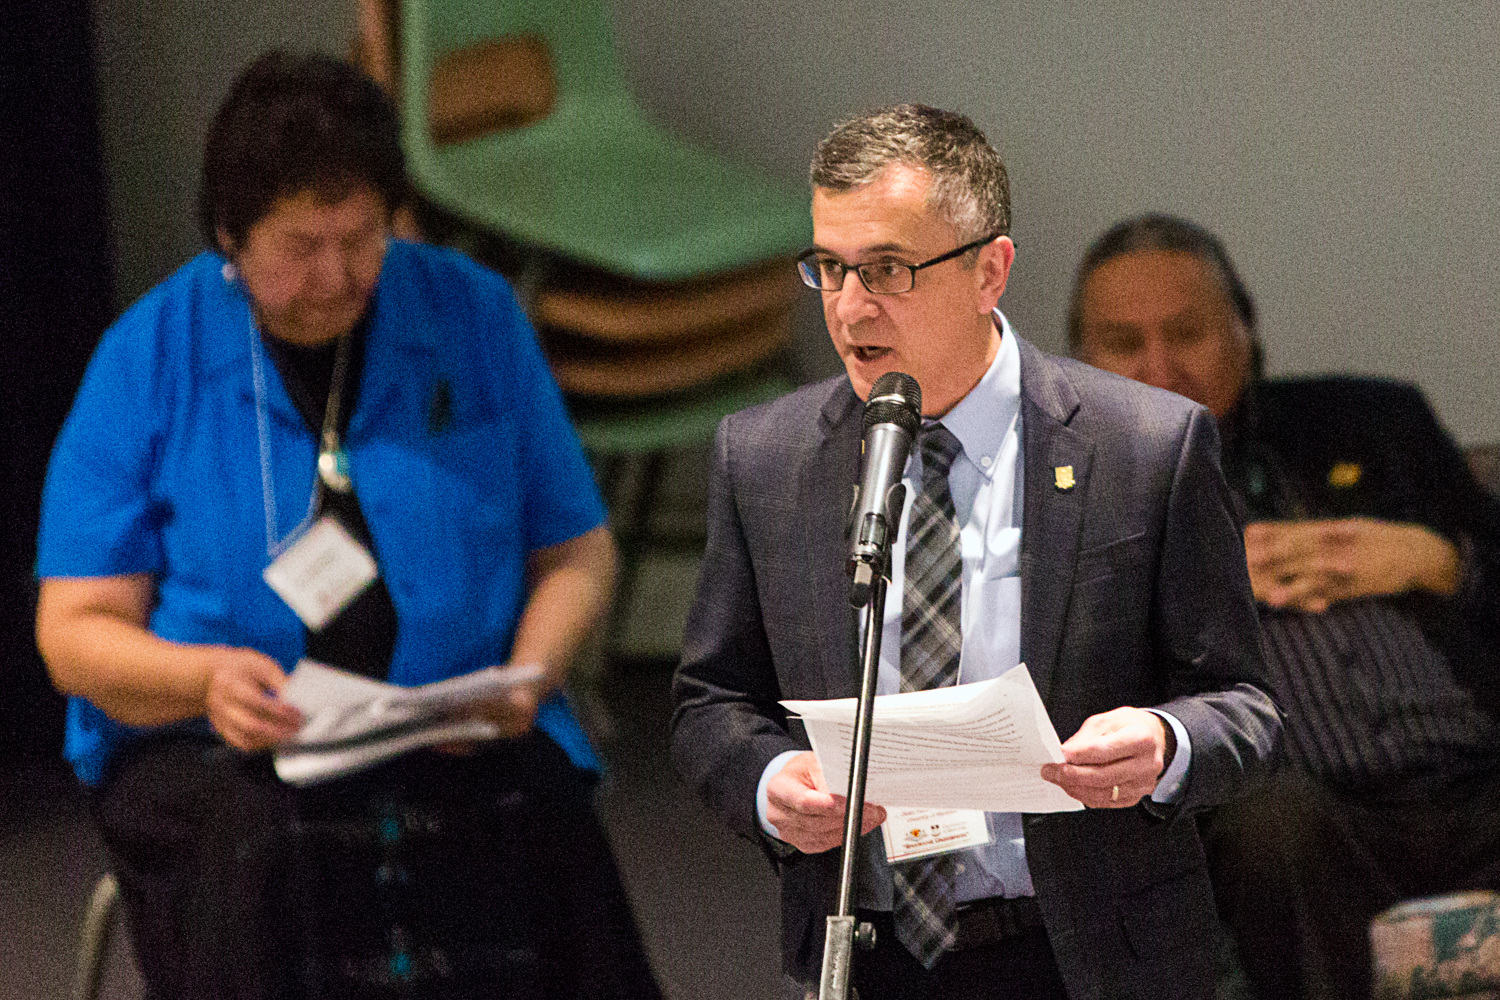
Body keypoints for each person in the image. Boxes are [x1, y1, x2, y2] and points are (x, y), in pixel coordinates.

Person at [34, 52, 661, 1000]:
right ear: (230, 235)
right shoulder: (148, 358)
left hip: (450, 729)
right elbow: (75, 633)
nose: (336, 276)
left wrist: (531, 677)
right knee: (273, 851)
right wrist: (203, 680)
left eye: (362, 238)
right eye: (300, 246)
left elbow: (576, 550)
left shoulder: (473, 317)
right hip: (216, 745)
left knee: (538, 813)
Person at [670, 106, 1280, 1000]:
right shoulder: (765, 457)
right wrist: (768, 783)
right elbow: (709, 703)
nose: (849, 307)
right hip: (870, 950)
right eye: (830, 268)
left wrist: (1166, 740)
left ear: (989, 271)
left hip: (1085, 954)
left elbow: (1247, 706)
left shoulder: (1145, 446)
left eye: (887, 270)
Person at [1069, 212, 1500, 1000]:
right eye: (1125, 343)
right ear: (1082, 364)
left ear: (1245, 331)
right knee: (1273, 826)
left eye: (1188, 333)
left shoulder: (1377, 421)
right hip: (1300, 809)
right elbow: (1070, 687)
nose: (1160, 366)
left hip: (1472, 765)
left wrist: (1440, 562)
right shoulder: (1073, 496)